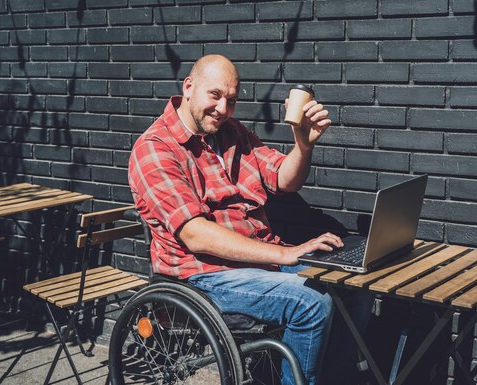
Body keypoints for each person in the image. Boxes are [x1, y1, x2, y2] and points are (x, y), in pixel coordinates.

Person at [128, 54, 370, 385]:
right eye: (214, 95)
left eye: (231, 99)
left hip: (256, 261)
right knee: (311, 303)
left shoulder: (232, 133)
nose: (223, 109)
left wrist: (303, 145)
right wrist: (287, 253)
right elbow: (196, 235)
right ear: (188, 87)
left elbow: (284, 180)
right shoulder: (155, 149)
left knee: (353, 285)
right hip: (204, 277)